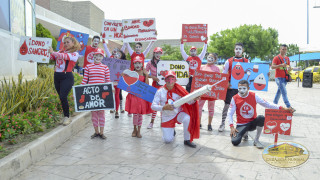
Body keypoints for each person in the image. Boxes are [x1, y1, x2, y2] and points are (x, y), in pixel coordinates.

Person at [228, 80, 294, 149]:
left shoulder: (254, 96)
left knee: (261, 118)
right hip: (241, 124)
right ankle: (245, 133)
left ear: (248, 88)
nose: (241, 90)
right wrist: (232, 127)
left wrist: (283, 108)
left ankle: (256, 140)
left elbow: (267, 104)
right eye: (240, 88)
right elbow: (230, 113)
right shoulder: (235, 98)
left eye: (244, 88)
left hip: (252, 123)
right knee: (235, 142)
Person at [151, 70, 200, 148]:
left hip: (178, 114)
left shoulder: (179, 90)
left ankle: (187, 140)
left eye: (172, 79)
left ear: (175, 80)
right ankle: (172, 130)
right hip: (167, 117)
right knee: (167, 140)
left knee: (187, 118)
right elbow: (153, 106)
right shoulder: (160, 91)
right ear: (164, 80)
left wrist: (194, 99)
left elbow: (189, 102)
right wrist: (163, 107)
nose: (170, 82)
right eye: (168, 79)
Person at [49, 36, 81, 125]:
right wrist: (35, 59)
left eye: (68, 42)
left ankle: (67, 117)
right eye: (65, 42)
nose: (66, 44)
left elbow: (65, 56)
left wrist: (53, 52)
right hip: (57, 76)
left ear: (73, 43)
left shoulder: (75, 53)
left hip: (67, 77)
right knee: (62, 98)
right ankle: (66, 116)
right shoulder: (59, 52)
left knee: (63, 96)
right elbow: (49, 57)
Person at [218, 42, 249, 132]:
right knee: (227, 105)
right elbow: (224, 74)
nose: (238, 50)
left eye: (240, 49)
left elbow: (251, 74)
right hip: (231, 88)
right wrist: (226, 83)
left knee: (242, 107)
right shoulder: (229, 61)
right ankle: (223, 123)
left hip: (242, 88)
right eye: (236, 49)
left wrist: (267, 74)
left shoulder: (247, 61)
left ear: (242, 50)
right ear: (234, 50)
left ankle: (243, 128)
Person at [81, 48, 111, 139]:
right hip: (91, 93)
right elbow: (84, 80)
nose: (98, 57)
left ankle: (102, 132)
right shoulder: (88, 67)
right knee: (93, 113)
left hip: (101, 93)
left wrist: (111, 89)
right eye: (96, 55)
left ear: (102, 57)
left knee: (101, 113)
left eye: (100, 56)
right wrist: (78, 91)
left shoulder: (105, 67)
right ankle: (96, 132)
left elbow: (108, 81)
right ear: (93, 56)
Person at [125, 56, 153, 138]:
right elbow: (127, 84)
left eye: (139, 63)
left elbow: (147, 85)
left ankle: (139, 130)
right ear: (133, 64)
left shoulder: (144, 73)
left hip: (141, 96)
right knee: (135, 113)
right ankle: (134, 129)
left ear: (142, 64)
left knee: (140, 114)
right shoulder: (131, 73)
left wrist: (147, 75)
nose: (137, 65)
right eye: (136, 63)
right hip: (133, 96)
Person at [102, 39, 126, 118]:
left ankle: (117, 111)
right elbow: (106, 50)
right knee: (111, 95)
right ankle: (113, 108)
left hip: (118, 81)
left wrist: (126, 41)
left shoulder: (121, 62)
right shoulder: (110, 58)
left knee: (117, 95)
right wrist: (104, 42)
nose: (116, 54)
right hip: (111, 81)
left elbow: (122, 49)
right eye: (114, 52)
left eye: (118, 54)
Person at [198, 53, 220, 131]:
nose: (210, 59)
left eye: (212, 58)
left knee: (211, 108)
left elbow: (218, 80)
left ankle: (209, 124)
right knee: (199, 107)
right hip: (202, 91)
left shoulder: (217, 69)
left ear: (215, 60)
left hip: (212, 92)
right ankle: (199, 123)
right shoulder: (201, 67)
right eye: (209, 57)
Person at [271, 44, 295, 112]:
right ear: (280, 49)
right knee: (284, 92)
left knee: (279, 92)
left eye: (285, 49)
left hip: (285, 77)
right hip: (278, 78)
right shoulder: (276, 58)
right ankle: (289, 106)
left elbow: (288, 67)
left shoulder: (287, 58)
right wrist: (280, 65)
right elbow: (272, 67)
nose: (284, 51)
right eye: (283, 49)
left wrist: (289, 68)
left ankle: (273, 105)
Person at [145, 47, 163, 129]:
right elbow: (145, 73)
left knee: (163, 103)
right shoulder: (149, 63)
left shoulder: (163, 63)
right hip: (154, 84)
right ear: (154, 53)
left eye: (159, 53)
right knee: (155, 103)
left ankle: (163, 122)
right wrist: (152, 77)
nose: (158, 55)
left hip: (163, 85)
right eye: (156, 53)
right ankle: (152, 122)